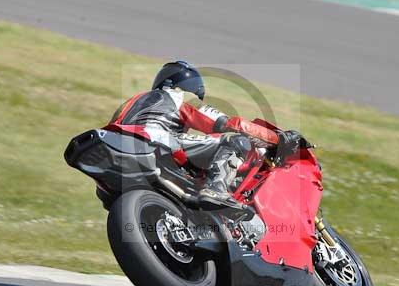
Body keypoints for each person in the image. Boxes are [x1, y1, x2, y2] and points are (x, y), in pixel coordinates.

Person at [109, 61, 278, 207]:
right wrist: (277, 139)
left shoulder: (130, 102)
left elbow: (113, 127)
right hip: (159, 142)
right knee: (237, 140)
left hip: (119, 152)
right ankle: (216, 190)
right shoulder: (178, 97)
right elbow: (230, 124)